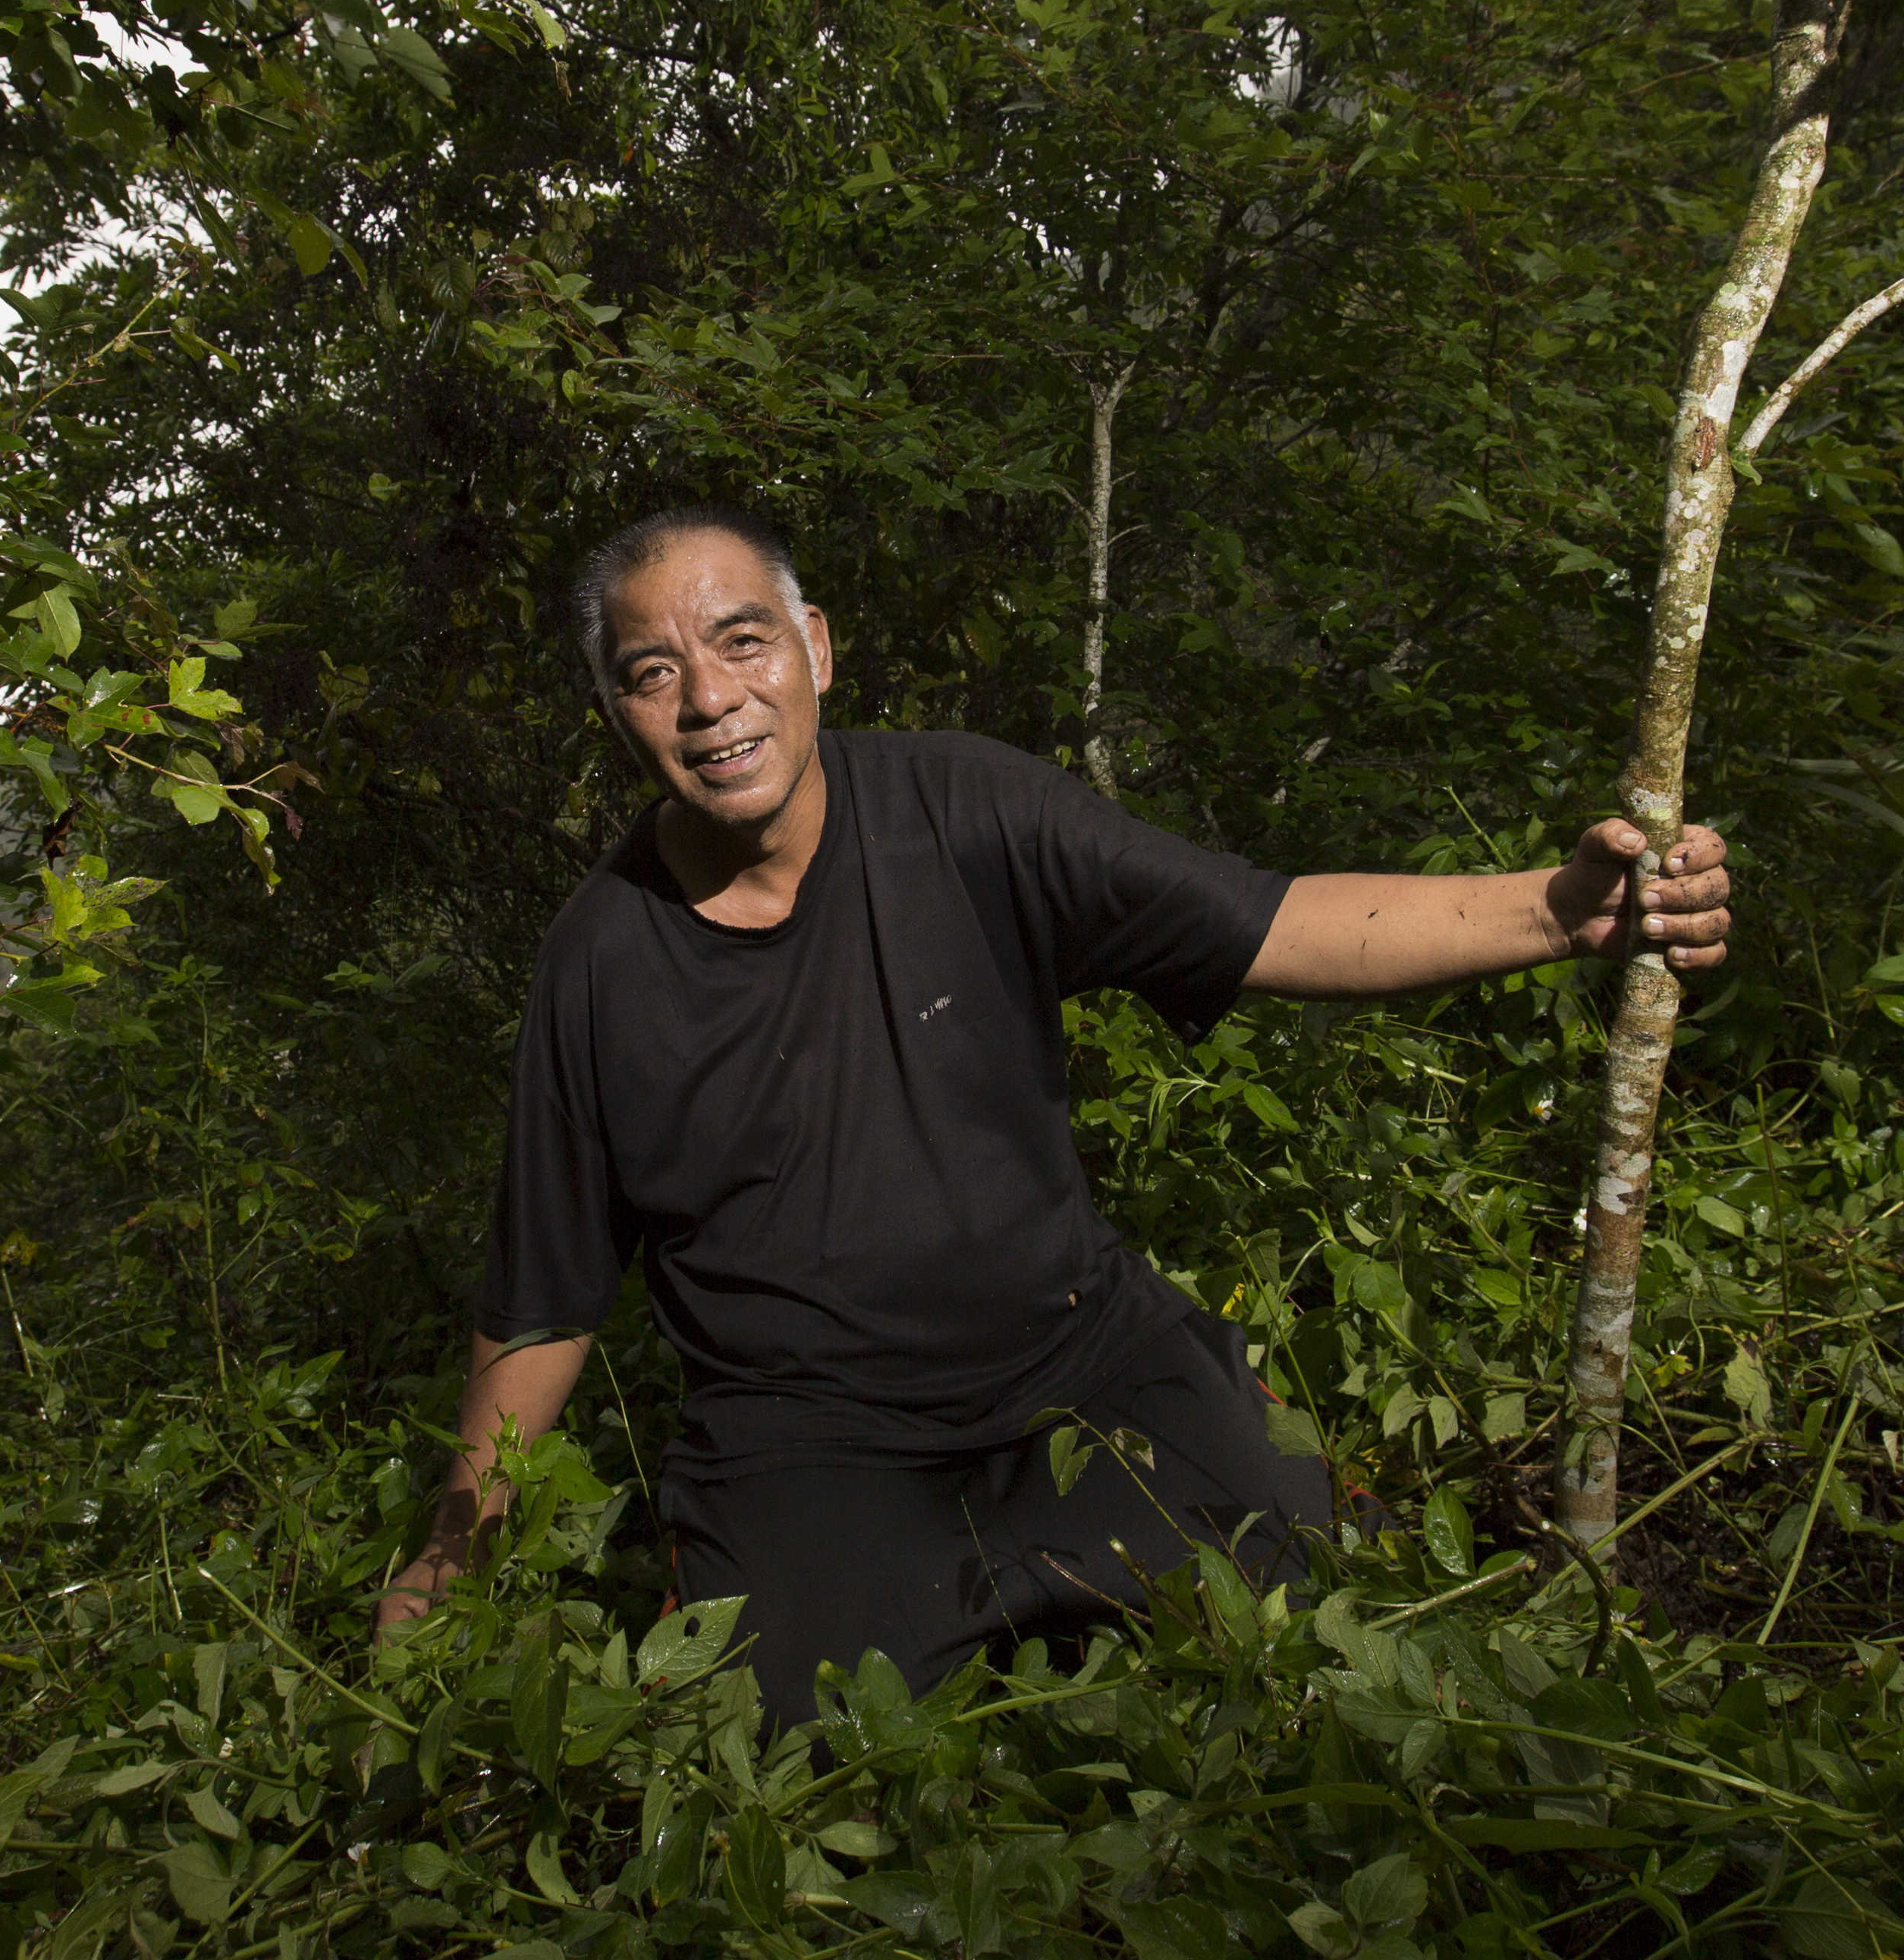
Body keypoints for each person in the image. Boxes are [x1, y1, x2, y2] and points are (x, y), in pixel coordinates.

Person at [372, 505, 1733, 1730]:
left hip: (1079, 1368)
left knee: (1339, 1622)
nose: (711, 700)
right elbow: (546, 1301)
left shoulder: (966, 808)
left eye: (743, 642)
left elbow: (1272, 922)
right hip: (812, 1446)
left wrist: (1560, 913)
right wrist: (457, 1541)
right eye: (652, 673)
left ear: (817, 649)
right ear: (617, 713)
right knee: (782, 1754)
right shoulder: (602, 961)